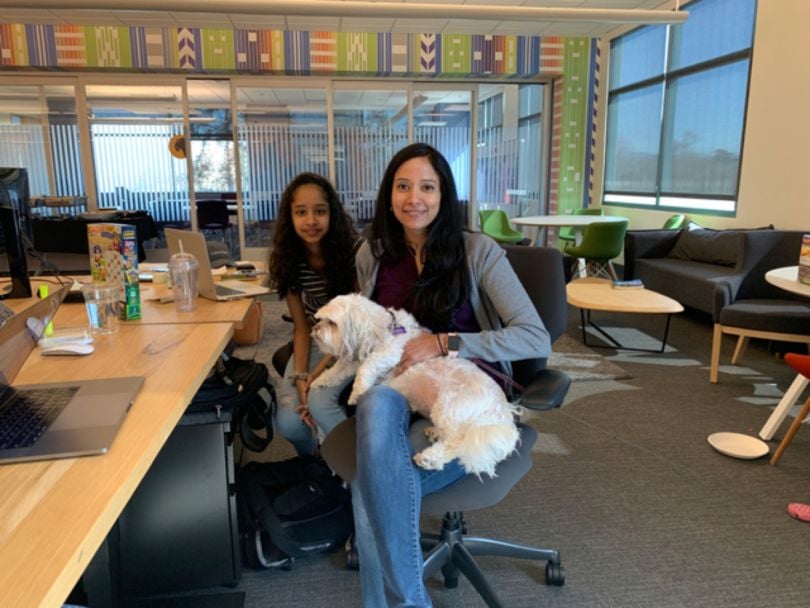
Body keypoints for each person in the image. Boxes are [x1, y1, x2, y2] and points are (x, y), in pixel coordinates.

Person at [351, 142, 551, 606]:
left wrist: (446, 341)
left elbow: (534, 337)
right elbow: (364, 329)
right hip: (400, 388)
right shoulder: (374, 254)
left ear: (444, 195)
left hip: (466, 394)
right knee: (374, 404)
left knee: (369, 486)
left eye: (426, 186)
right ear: (388, 194)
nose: (413, 198)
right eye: (402, 186)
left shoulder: (478, 251)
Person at [268, 172, 359, 455]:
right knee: (289, 421)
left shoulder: (354, 252)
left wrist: (315, 376)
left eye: (320, 211)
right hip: (319, 338)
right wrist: (300, 376)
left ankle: (355, 466)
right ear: (290, 217)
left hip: (353, 341)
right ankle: (314, 461)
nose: (311, 221)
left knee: (319, 402)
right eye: (301, 212)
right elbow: (301, 327)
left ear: (332, 213)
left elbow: (354, 326)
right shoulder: (288, 259)